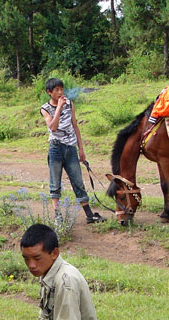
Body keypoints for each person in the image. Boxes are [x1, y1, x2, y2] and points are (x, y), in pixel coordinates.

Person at [40, 78, 106, 224]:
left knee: (78, 180)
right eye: (56, 90)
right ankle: (58, 217)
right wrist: (58, 108)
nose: (60, 92)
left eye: (61, 89)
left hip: (71, 148)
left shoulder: (69, 104)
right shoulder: (45, 108)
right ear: (49, 92)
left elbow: (75, 125)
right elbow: (53, 127)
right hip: (56, 148)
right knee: (55, 183)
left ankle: (89, 215)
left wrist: (81, 148)